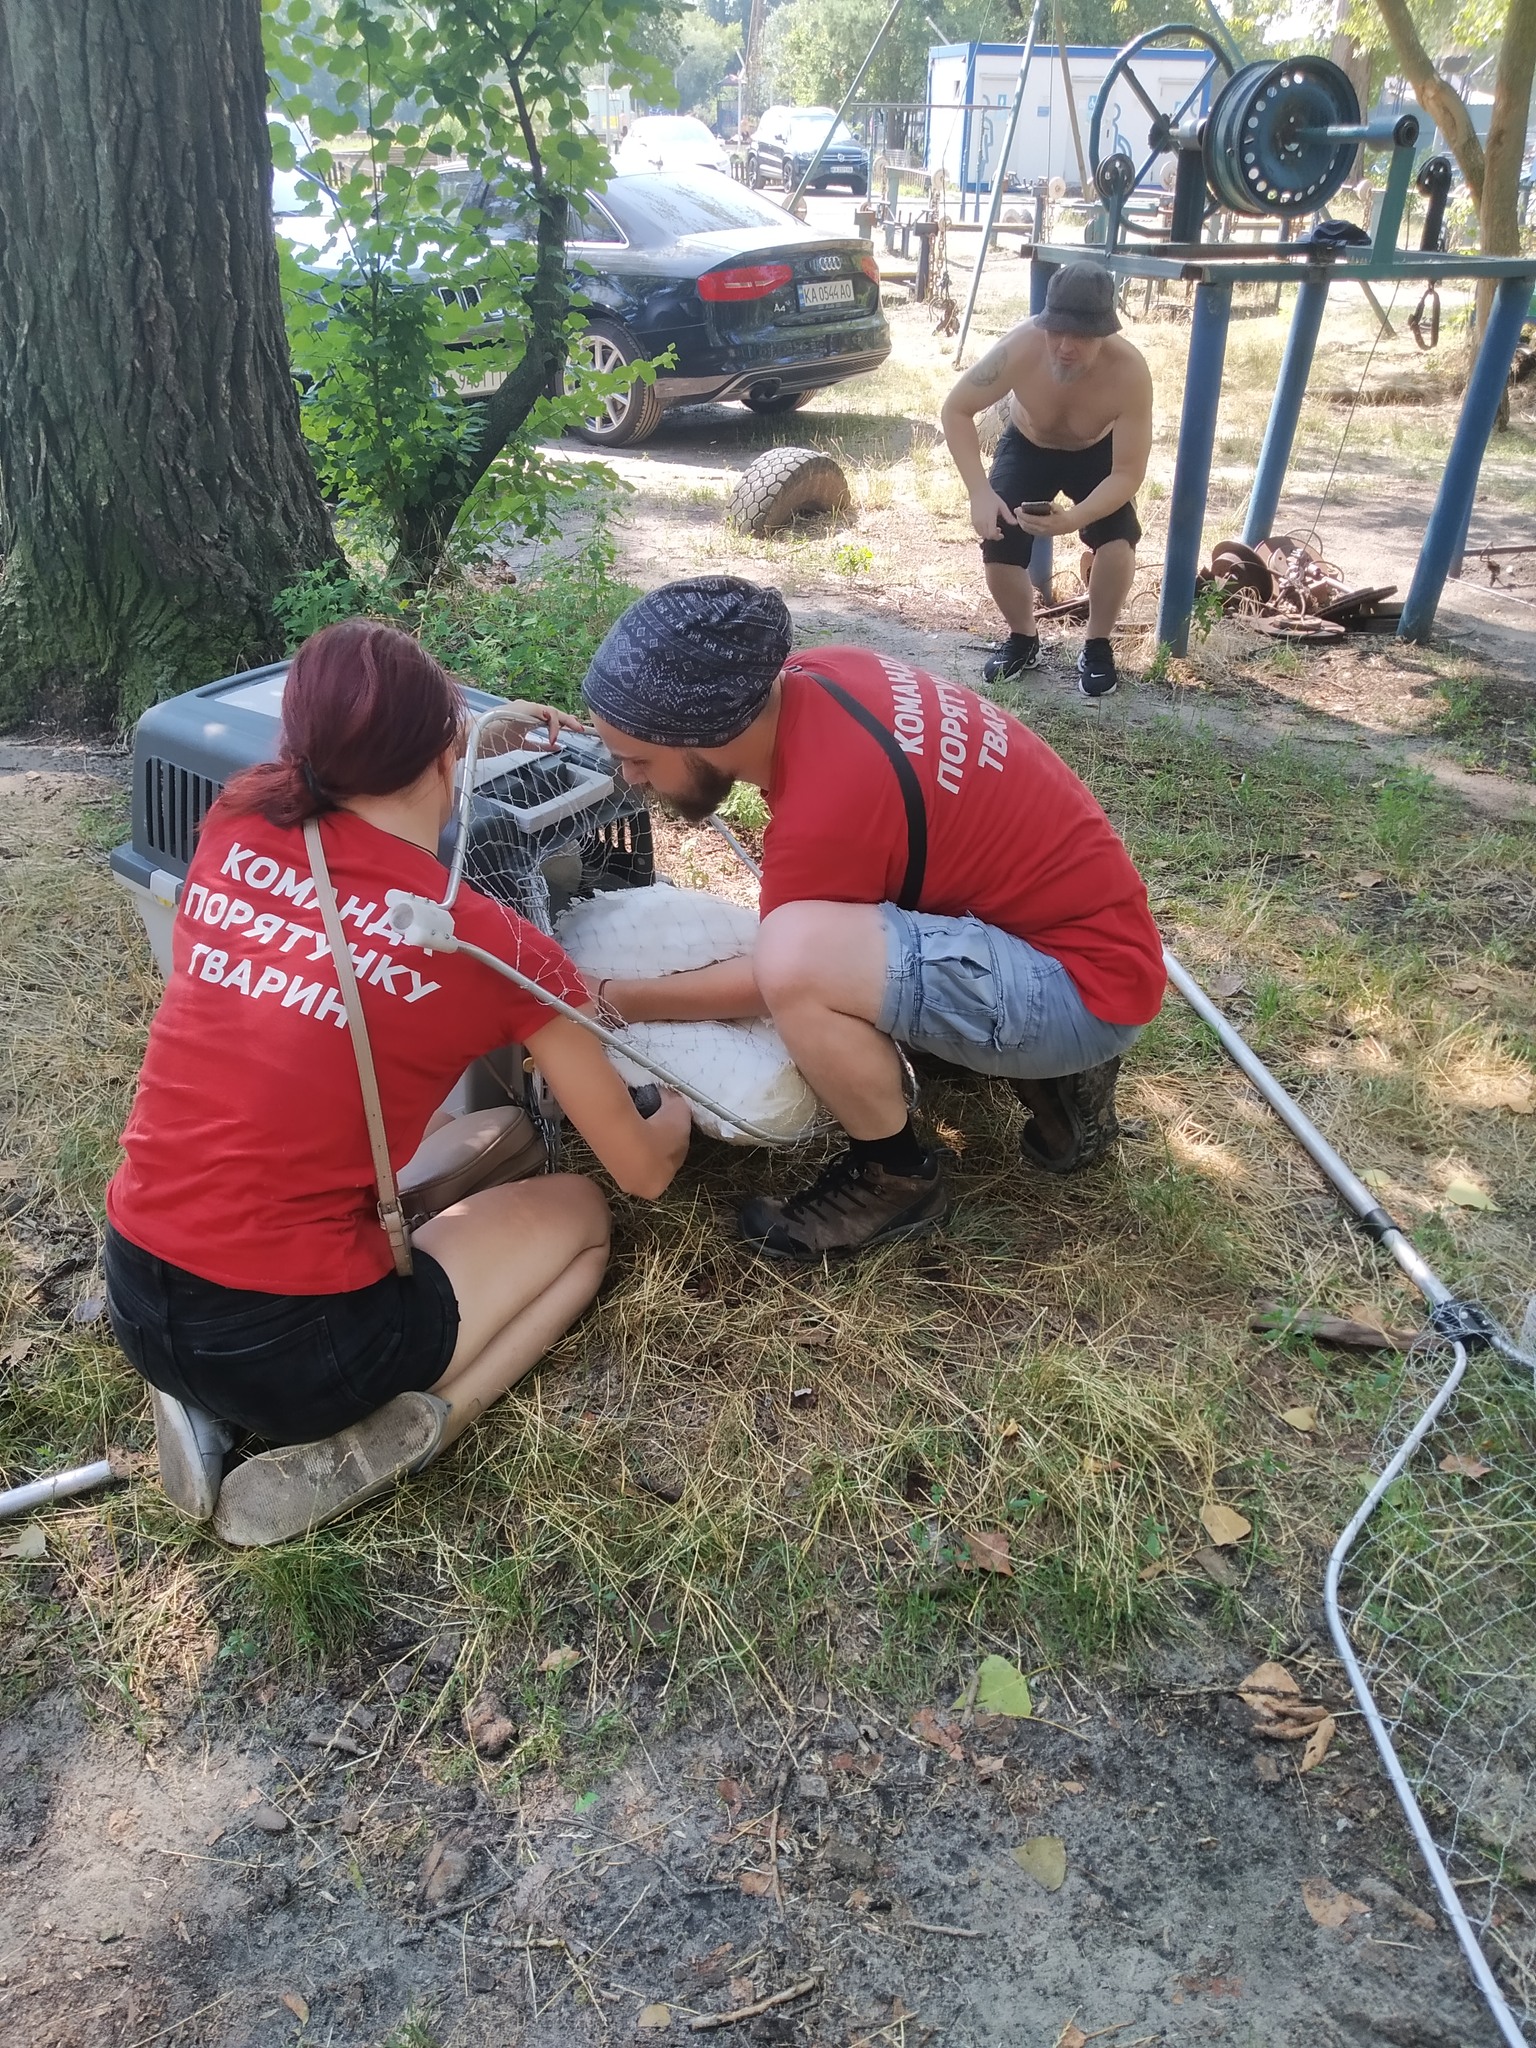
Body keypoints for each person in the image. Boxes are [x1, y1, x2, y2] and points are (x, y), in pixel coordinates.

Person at [104, 620, 691, 1547]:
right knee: (579, 1209)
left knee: (494, 1144)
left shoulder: (243, 814)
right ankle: (395, 1434)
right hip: (297, 1350)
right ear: (445, 755)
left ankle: (198, 1405)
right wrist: (678, 1108)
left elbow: (356, 774)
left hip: (138, 1286)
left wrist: (459, 741)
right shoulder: (481, 940)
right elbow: (643, 1172)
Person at [578, 576, 1165, 1261]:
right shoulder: (823, 674)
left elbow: (778, 976)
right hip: (1091, 947)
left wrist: (616, 1000)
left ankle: (893, 1174)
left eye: (639, 761)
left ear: (707, 732)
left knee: (798, 957)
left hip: (1078, 991)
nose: (632, 781)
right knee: (816, 943)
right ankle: (1052, 1078)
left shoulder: (829, 813)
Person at [940, 261, 1152, 701]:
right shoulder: (1021, 347)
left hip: (1097, 452)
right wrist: (979, 492)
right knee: (998, 539)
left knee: (1117, 542)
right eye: (1057, 331)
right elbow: (956, 409)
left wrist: (1074, 519)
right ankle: (1023, 638)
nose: (1065, 346)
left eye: (1080, 336)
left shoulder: (1129, 371)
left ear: (1104, 333)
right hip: (1028, 442)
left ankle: (1096, 644)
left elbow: (1128, 473)